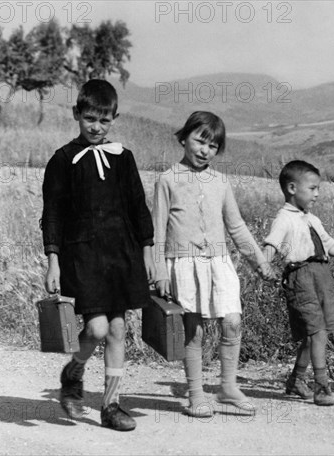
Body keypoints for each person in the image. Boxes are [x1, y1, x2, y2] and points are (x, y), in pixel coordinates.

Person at [41, 79, 154, 431]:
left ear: (114, 119)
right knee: (98, 326)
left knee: (118, 328)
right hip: (84, 256)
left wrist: (148, 252)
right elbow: (53, 215)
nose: (96, 127)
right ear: (77, 114)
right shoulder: (63, 160)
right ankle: (74, 371)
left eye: (104, 121)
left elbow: (139, 207)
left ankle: (111, 405)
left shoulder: (123, 158)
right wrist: (53, 260)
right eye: (90, 118)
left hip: (121, 255)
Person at [153, 111, 274, 418]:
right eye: (200, 141)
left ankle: (228, 387)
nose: (205, 150)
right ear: (184, 138)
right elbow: (156, 232)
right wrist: (157, 272)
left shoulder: (221, 182)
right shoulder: (166, 180)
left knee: (232, 321)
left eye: (213, 146)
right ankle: (195, 396)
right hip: (183, 264)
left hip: (219, 264)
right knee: (193, 333)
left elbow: (237, 227)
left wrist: (259, 261)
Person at [262, 160, 334, 406]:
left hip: (321, 277)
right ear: (292, 188)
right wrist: (265, 266)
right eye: (312, 188)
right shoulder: (284, 218)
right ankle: (322, 386)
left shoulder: (312, 219)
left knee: (312, 333)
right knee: (317, 332)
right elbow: (271, 244)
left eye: (318, 189)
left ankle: (296, 379)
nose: (317, 194)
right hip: (301, 278)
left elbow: (330, 246)